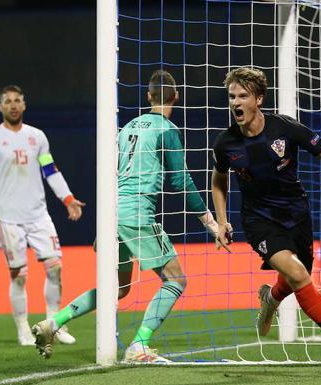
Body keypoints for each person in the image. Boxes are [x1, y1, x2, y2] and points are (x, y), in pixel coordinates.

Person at [32, 70, 220, 363]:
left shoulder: (127, 127)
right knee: (176, 281)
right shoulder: (166, 128)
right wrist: (211, 224)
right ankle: (139, 345)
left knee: (117, 288)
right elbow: (181, 181)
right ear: (176, 96)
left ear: (148, 96)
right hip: (137, 212)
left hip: (112, 212)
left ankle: (53, 323)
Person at [211, 67, 321, 366]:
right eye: (232, 96)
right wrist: (221, 221)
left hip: (296, 214)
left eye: (243, 96)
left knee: (297, 276)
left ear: (258, 99)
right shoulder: (225, 143)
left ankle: (271, 298)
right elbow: (219, 181)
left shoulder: (285, 129)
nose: (235, 103)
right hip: (259, 221)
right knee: (297, 274)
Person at [0, 85, 85, 346]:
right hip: (8, 218)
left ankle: (53, 325)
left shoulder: (37, 136)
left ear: (24, 105)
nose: (12, 105)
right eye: (7, 101)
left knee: (55, 268)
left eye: (17, 100)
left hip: (38, 215)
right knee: (19, 275)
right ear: (0, 107)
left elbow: (50, 170)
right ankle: (23, 329)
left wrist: (67, 199)